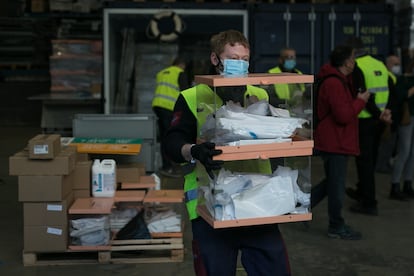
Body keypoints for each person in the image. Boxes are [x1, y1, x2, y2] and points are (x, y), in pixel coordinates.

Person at [164, 30, 291, 275]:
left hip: (258, 202)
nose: (240, 64)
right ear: (215, 60)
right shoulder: (192, 97)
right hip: (210, 206)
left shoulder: (260, 94)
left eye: (245, 59)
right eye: (233, 58)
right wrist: (194, 150)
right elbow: (171, 142)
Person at [311, 45, 370, 240]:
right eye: (353, 58)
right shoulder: (334, 84)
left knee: (333, 182)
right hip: (335, 142)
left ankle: (302, 205)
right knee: (336, 187)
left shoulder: (340, 80)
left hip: (336, 140)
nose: (355, 62)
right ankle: (336, 226)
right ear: (346, 62)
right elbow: (343, 115)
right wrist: (361, 101)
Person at [345, 37, 393, 215]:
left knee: (364, 162)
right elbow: (391, 89)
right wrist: (386, 112)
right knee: (370, 161)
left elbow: (364, 96)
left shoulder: (357, 66)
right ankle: (362, 190)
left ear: (353, 52)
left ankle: (368, 202)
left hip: (364, 120)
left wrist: (377, 113)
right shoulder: (378, 64)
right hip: (379, 121)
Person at [152, 56, 190, 177]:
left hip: (158, 105)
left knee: (165, 136)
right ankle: (170, 166)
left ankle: (168, 166)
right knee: (171, 136)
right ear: (182, 65)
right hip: (169, 107)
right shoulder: (180, 73)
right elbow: (186, 92)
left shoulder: (162, 72)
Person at [389, 59, 414, 199]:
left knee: (413, 153)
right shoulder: (403, 79)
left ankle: (408, 183)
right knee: (404, 151)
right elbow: (399, 97)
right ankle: (395, 185)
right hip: (407, 119)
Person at [376, 54, 401, 173]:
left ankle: (383, 164)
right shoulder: (387, 76)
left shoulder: (393, 76)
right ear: (388, 64)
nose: (397, 67)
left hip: (391, 114)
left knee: (390, 143)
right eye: (395, 64)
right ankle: (381, 165)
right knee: (386, 143)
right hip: (387, 114)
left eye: (398, 64)